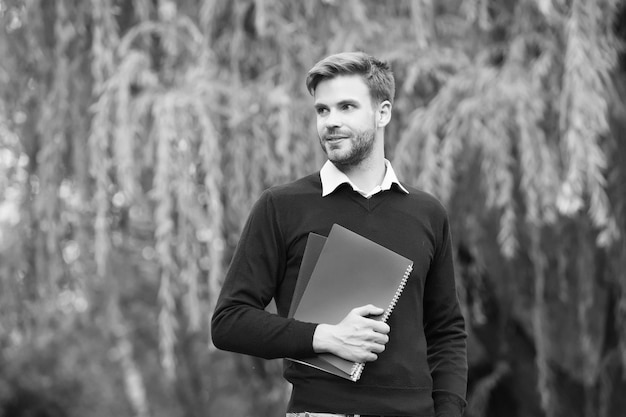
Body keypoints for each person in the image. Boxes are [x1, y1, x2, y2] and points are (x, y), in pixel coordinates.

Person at [211, 51, 467, 417]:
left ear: (383, 113)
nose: (331, 122)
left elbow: (446, 331)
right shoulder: (281, 206)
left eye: (347, 107)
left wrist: (449, 411)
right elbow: (229, 322)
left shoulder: (427, 213)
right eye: (322, 110)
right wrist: (325, 337)